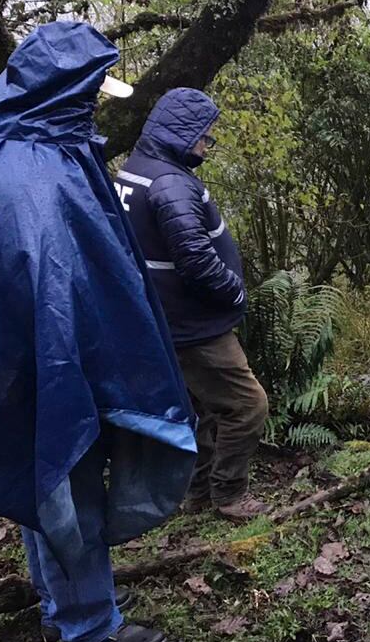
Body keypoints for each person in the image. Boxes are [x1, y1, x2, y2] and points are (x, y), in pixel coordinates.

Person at [0, 22, 198, 642]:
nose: (95, 107)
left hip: (0, 349)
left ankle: (62, 601)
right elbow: (53, 274)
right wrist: (82, 351)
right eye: (91, 93)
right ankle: (89, 622)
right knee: (68, 466)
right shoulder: (38, 169)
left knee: (43, 469)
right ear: (64, 90)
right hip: (44, 353)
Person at [115, 88, 271, 521]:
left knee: (201, 408)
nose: (207, 144)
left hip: (162, 318)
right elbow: (196, 259)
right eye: (204, 135)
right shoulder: (169, 184)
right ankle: (230, 494)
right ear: (180, 132)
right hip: (194, 325)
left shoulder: (133, 170)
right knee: (248, 405)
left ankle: (198, 493)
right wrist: (235, 292)